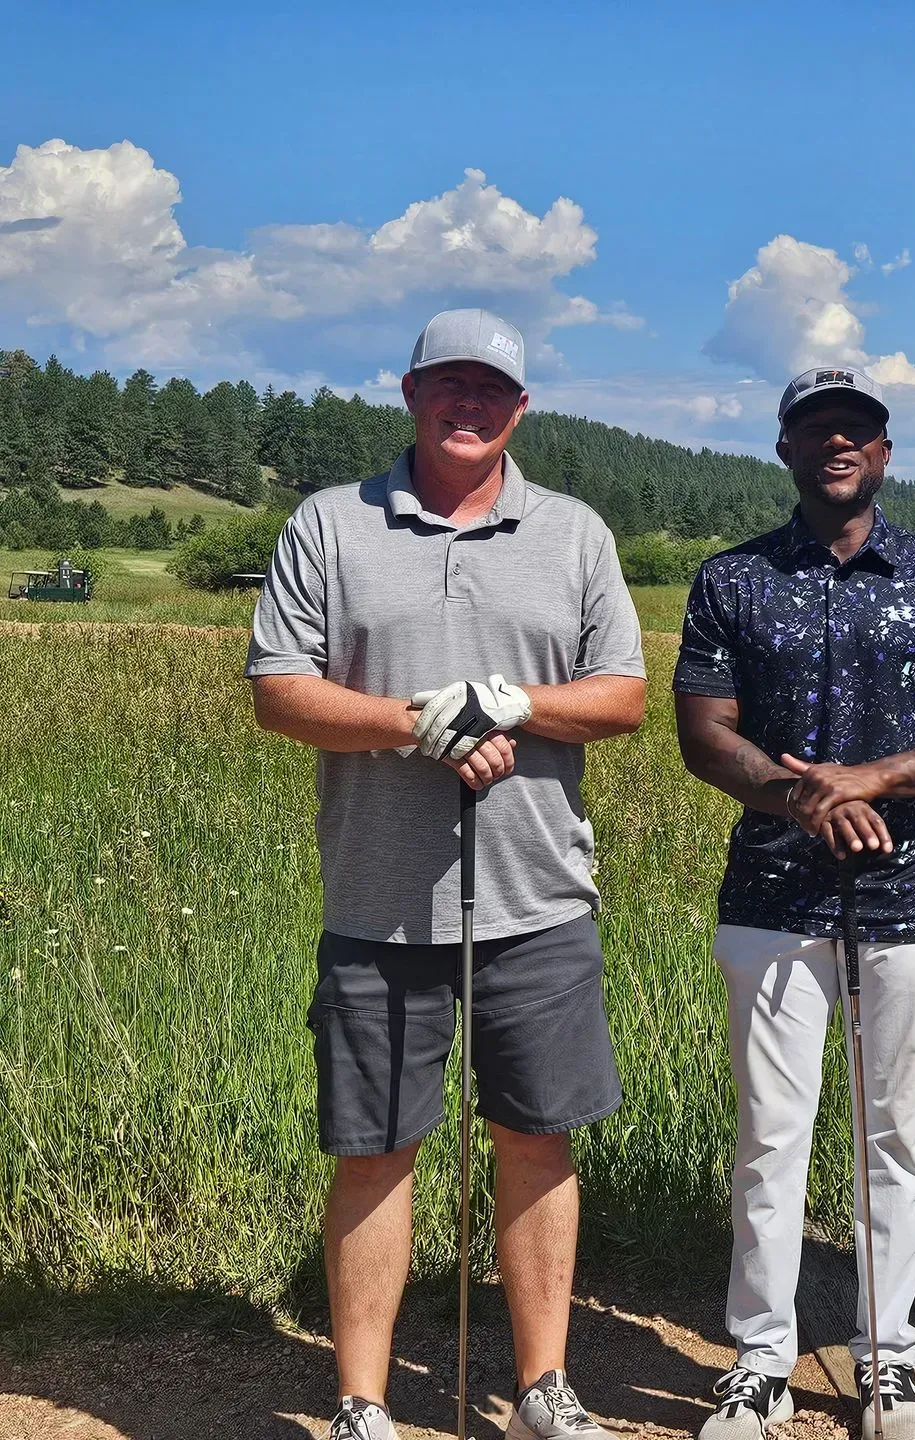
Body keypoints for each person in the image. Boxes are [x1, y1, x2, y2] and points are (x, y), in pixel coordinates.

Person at [247, 309, 648, 1440]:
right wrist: (413, 723)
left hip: (538, 895)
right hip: (378, 897)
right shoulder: (331, 524)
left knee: (536, 1139)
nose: (467, 404)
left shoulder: (572, 533)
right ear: (411, 392)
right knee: (375, 1149)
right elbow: (280, 690)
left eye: (490, 388)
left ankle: (541, 1388)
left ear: (520, 407)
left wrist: (519, 701)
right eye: (446, 384)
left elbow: (619, 694)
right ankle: (362, 1403)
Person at [675, 365, 915, 1440]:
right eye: (816, 430)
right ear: (784, 449)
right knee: (773, 1137)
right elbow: (705, 734)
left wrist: (864, 781)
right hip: (772, 895)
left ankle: (887, 1362)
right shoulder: (731, 579)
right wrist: (799, 797)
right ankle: (760, 1359)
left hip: (906, 892)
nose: (837, 445)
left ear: (884, 451)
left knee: (892, 1136)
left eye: (855, 430)